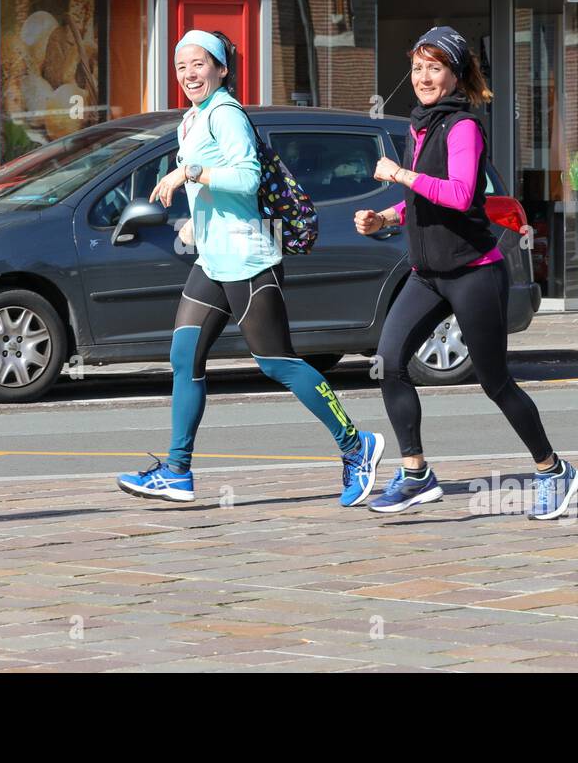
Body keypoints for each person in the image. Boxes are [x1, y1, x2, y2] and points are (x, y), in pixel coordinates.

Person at [117, 29, 384, 505]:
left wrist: (190, 173)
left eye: (199, 64)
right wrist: (194, 225)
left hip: (248, 261)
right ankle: (177, 471)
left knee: (277, 363)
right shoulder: (192, 119)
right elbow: (219, 194)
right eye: (181, 67)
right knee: (184, 359)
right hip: (213, 259)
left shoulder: (227, 114)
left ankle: (356, 444)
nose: (188, 74)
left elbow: (246, 177)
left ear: (220, 69)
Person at [354, 25, 578, 520]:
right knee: (390, 361)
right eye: (417, 67)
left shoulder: (463, 127)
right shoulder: (420, 124)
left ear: (455, 76)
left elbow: (460, 194)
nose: (423, 77)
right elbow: (422, 197)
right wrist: (386, 218)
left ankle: (552, 469)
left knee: (494, 381)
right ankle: (415, 473)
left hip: (473, 272)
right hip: (426, 272)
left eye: (434, 68)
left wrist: (398, 173)